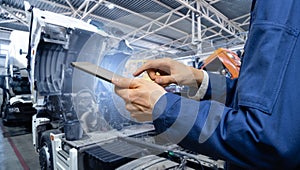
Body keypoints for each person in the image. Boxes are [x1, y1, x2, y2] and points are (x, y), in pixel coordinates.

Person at [113, 0, 300, 169]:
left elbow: (266, 140)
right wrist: (198, 78)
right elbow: (263, 100)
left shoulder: (282, 6)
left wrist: (165, 107)